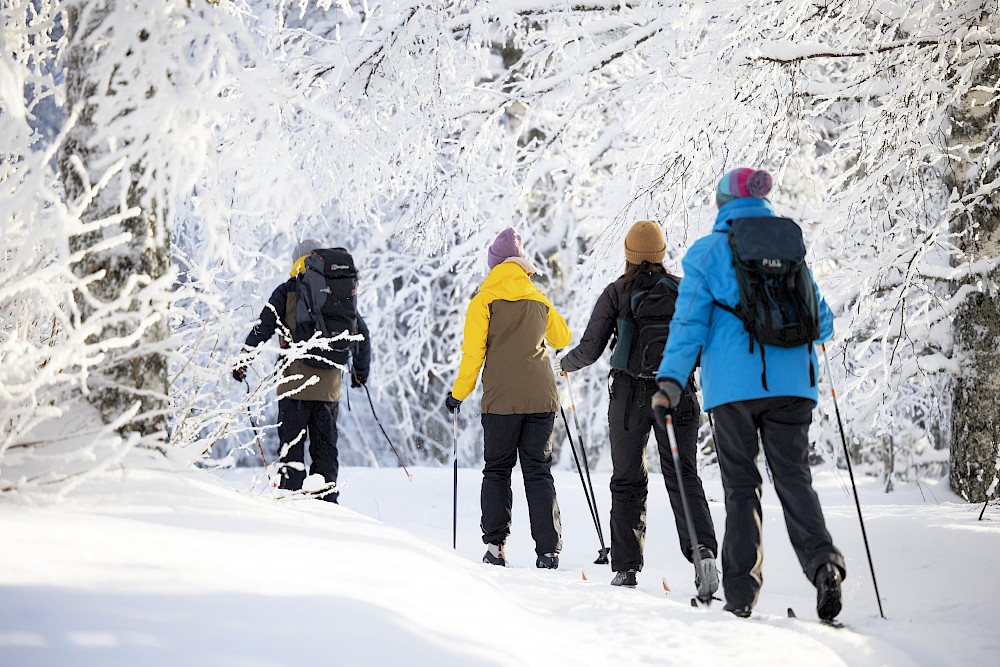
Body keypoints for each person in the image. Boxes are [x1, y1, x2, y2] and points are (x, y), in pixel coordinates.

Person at [651, 168, 845, 620]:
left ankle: (740, 596)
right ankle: (823, 567)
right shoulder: (789, 247)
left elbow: (687, 328)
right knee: (794, 479)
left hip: (733, 392)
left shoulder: (708, 252)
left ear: (723, 204)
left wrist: (670, 382)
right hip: (795, 388)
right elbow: (825, 321)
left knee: (742, 487)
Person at [556, 220, 719, 595]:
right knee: (683, 476)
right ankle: (704, 553)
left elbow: (591, 347)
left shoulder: (616, 292)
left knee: (627, 479)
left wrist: (563, 364)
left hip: (629, 396)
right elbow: (706, 342)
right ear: (661, 254)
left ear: (629, 255)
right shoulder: (683, 290)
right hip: (676, 391)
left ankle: (626, 568)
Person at [445, 227, 572, 569]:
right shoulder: (537, 298)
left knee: (498, 470)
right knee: (538, 471)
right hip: (542, 399)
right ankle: (548, 551)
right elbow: (562, 335)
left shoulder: (483, 300)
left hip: (501, 402)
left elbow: (473, 355)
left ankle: (496, 547)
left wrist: (458, 395)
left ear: (494, 266)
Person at [234, 239, 371, 503]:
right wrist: (360, 373)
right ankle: (327, 503)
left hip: (293, 388)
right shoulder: (336, 294)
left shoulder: (287, 292)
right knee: (325, 452)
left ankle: (291, 502)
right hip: (329, 390)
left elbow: (262, 328)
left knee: (292, 451)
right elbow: (361, 332)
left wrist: (244, 361)